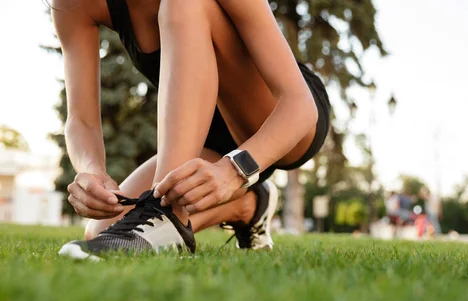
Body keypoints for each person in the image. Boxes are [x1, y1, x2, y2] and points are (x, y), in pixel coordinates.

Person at [50, 0, 331, 259]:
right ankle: (249, 205)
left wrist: (234, 171)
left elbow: (300, 106)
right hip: (202, 134)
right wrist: (91, 171)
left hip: (279, 120)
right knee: (101, 230)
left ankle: (166, 213)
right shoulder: (74, 4)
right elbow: (81, 120)